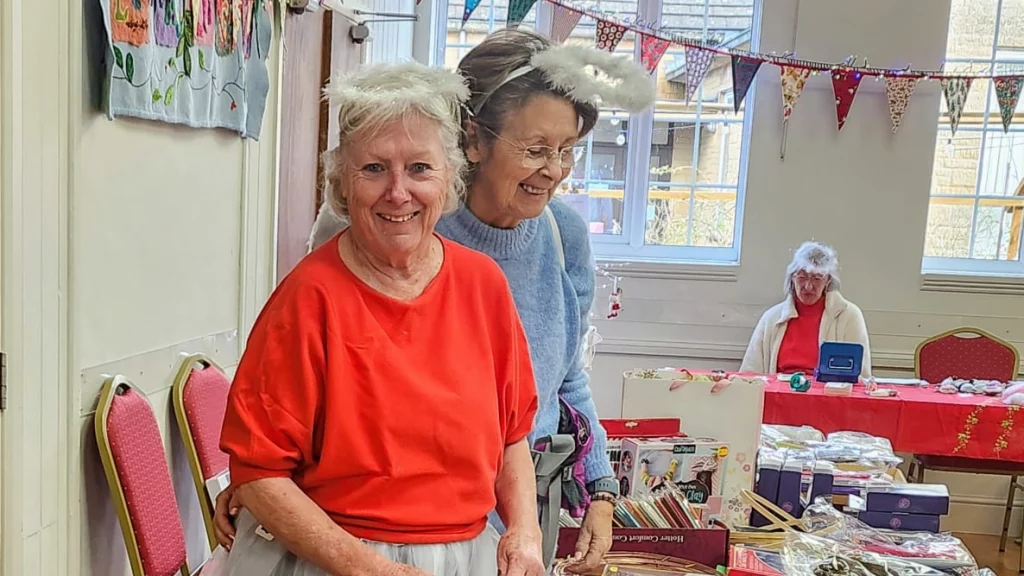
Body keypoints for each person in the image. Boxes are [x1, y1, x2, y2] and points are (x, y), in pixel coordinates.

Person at [216, 29, 656, 573]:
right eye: (374, 168)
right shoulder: (315, 288)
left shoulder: (494, 275)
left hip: (478, 542)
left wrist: (540, 521)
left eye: (420, 169)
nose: (398, 192)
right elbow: (263, 457)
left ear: (447, 173)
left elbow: (522, 422)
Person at [740, 241, 872, 378]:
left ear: (827, 281)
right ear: (792, 278)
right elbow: (750, 373)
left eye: (817, 279)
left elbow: (861, 378)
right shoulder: (771, 318)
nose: (808, 286)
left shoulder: (849, 316)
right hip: (778, 395)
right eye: (802, 277)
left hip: (827, 396)